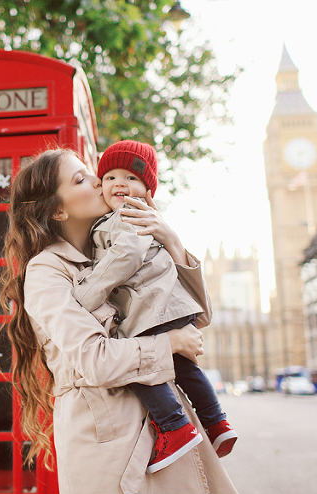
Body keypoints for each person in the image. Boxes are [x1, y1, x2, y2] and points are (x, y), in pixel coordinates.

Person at [0, 148, 245, 494]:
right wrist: (171, 342)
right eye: (81, 179)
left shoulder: (116, 246)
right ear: (58, 210)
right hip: (110, 449)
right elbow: (96, 360)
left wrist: (172, 241)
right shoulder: (46, 271)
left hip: (162, 429)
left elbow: (197, 316)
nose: (100, 181)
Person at [71, 140, 237, 473]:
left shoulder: (129, 215)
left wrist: (83, 296)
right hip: (173, 306)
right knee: (186, 368)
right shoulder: (144, 218)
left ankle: (173, 427)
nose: (120, 184)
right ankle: (216, 422)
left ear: (147, 191)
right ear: (100, 185)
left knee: (138, 367)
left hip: (150, 309)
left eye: (131, 179)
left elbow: (124, 258)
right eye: (110, 177)